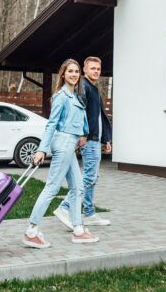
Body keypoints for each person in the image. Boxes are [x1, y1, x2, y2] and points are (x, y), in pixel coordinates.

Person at [23, 59, 99, 248]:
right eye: (70, 71)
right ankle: (31, 231)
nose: (74, 74)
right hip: (63, 143)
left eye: (76, 71)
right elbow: (51, 124)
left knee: (78, 188)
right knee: (52, 188)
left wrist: (83, 133)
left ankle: (78, 230)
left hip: (70, 144)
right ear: (63, 74)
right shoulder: (61, 96)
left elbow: (80, 119)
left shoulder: (75, 96)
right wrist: (42, 149)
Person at [53, 56, 112, 229]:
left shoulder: (93, 88)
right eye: (92, 68)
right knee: (88, 177)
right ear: (84, 70)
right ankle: (65, 207)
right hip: (89, 139)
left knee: (92, 177)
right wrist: (83, 134)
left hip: (96, 139)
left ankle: (89, 212)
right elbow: (79, 114)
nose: (96, 71)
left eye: (98, 69)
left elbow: (100, 116)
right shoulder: (84, 87)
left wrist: (106, 138)